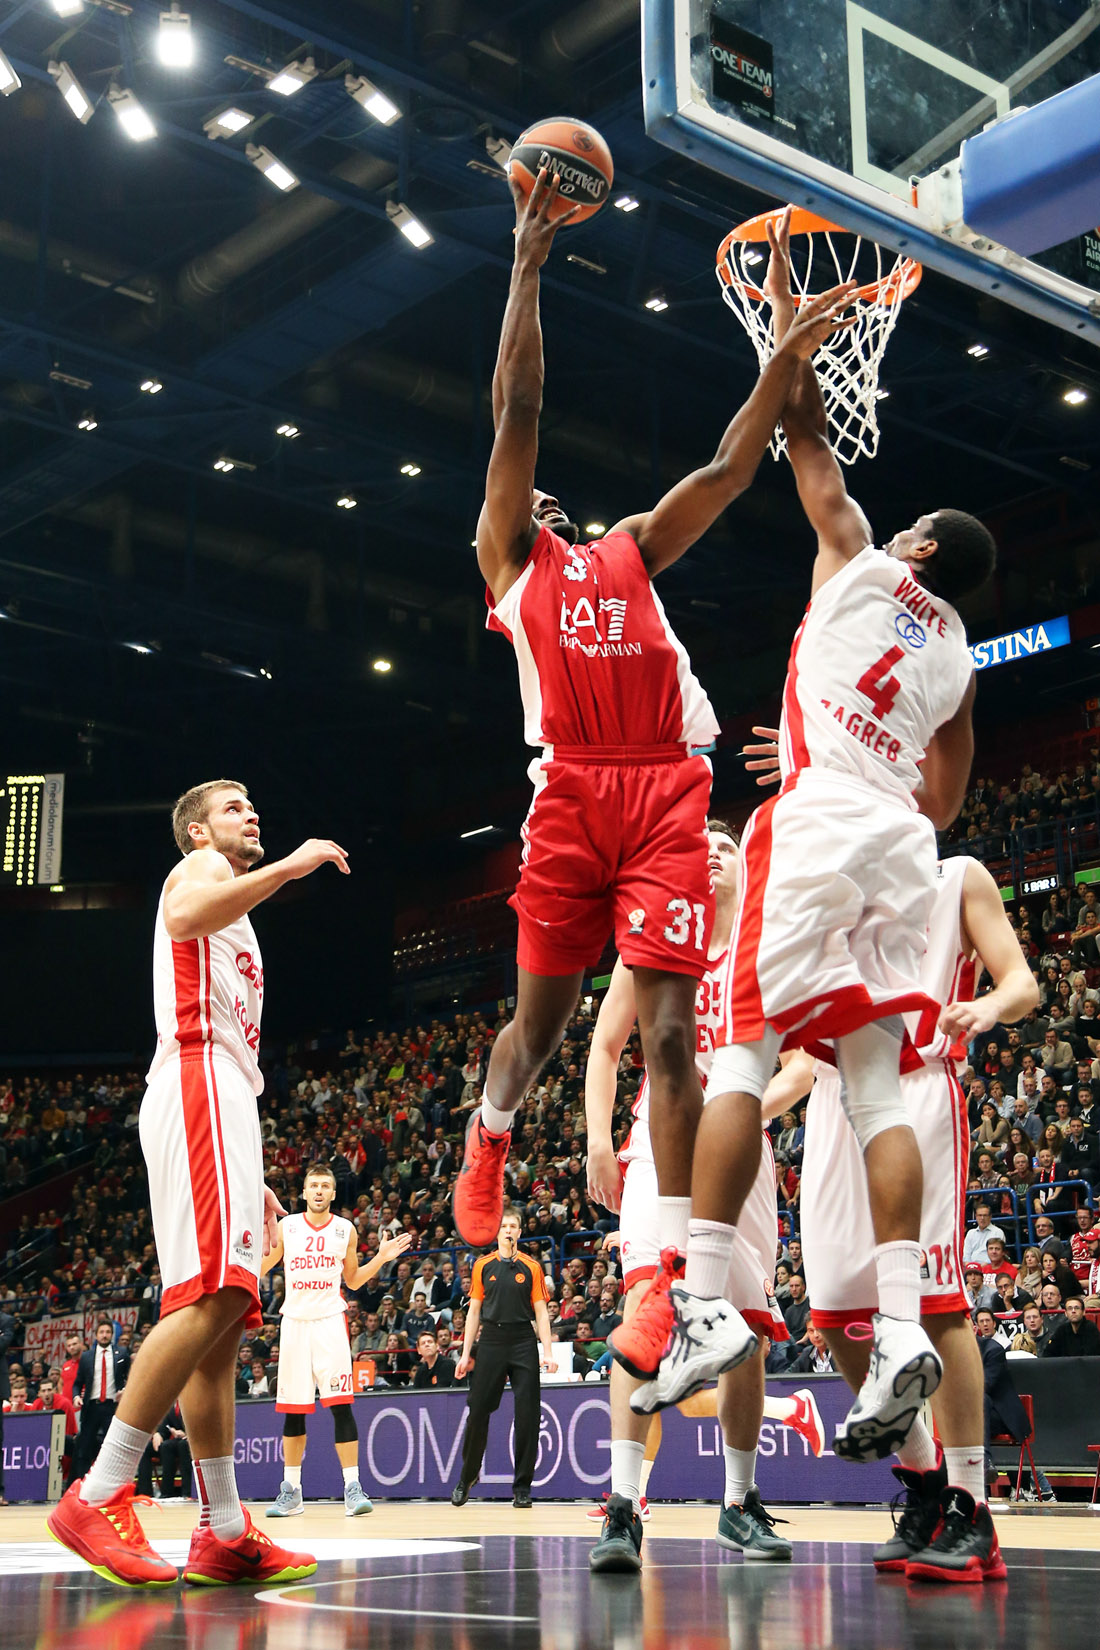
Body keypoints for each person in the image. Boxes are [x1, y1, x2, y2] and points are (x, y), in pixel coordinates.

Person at [452, 161, 857, 1299]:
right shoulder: (508, 567)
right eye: (511, 494)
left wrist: (784, 351)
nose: (529, 495)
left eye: (537, 492)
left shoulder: (628, 545)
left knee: (671, 1039)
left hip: (668, 793)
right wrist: (529, 265)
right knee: (539, 1029)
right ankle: (489, 1129)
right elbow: (517, 411)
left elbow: (733, 470)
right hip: (571, 793)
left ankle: (668, 1269)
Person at [646, 209, 997, 1460]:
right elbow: (943, 806)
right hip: (900, 848)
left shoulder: (852, 555)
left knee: (739, 1049)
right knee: (867, 1075)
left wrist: (790, 313)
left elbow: (798, 432)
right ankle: (899, 1325)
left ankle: (697, 1302)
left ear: (915, 545)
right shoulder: (955, 656)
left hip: (814, 820)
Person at [47, 778, 346, 1587]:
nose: (250, 812)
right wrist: (289, 865)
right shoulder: (200, 872)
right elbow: (181, 920)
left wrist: (255, 1178)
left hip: (223, 1096)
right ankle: (101, 1489)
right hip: (196, 1079)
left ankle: (221, 1529)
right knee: (209, 1296)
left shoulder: (232, 906)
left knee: (225, 1326)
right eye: (231, 806)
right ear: (194, 831)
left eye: (254, 803)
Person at [585, 823, 821, 1571]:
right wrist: (597, 1137)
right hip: (658, 1149)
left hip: (740, 1153)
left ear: (746, 866)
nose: (712, 853)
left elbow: (803, 1067)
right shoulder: (655, 942)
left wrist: (742, 1107)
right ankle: (623, 1508)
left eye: (726, 846)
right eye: (701, 848)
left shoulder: (765, 951)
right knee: (643, 1316)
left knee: (740, 1332)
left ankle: (738, 1501)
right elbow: (603, 1045)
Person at [797, 852, 1033, 1580]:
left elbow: (1022, 980)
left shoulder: (957, 875)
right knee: (837, 1315)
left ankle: (970, 1506)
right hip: (835, 1093)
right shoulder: (827, 873)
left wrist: (988, 1008)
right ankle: (926, 1482)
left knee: (935, 1304)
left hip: (920, 1086)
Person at [263, 1163, 410, 1519]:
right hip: (295, 1324)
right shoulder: (288, 1226)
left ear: (332, 1193)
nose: (318, 1191)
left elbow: (355, 1280)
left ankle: (352, 1488)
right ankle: (291, 1490)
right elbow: (261, 1267)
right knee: (294, 1410)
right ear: (303, 1192)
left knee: (340, 1405)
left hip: (330, 1323)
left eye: (324, 1185)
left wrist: (382, 1257)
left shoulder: (345, 1230)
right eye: (312, 1185)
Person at [450, 1213, 557, 1509]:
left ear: (520, 1232)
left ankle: (522, 1487)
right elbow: (473, 1312)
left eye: (512, 1227)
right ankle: (467, 1476)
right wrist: (465, 1352)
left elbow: (541, 1312)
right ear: (496, 1233)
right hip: (492, 1340)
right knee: (478, 1411)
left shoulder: (532, 1267)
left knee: (528, 1416)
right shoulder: (483, 1265)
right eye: (504, 1226)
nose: (508, 1230)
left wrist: (547, 1351)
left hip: (523, 1340)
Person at [70, 1320, 131, 1485]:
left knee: (113, 1447)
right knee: (84, 1447)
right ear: (96, 1335)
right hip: (91, 1407)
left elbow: (132, 1378)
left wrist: (124, 1391)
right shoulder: (87, 1356)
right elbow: (77, 1382)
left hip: (113, 1406)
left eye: (107, 1332)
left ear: (112, 1334)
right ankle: (81, 1485)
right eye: (101, 1332)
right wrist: (76, 1396)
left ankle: (114, 1485)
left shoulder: (122, 1353)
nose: (104, 1335)